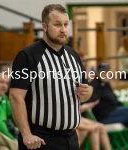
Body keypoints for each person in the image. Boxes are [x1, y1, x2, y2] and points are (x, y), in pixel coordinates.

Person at [9, 4, 93, 150]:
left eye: (66, 24)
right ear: (45, 26)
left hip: (71, 138)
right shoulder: (28, 55)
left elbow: (86, 92)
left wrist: (87, 93)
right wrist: (26, 135)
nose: (63, 29)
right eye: (57, 24)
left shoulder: (73, 55)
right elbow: (16, 97)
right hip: (41, 140)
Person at [89, 62, 128, 126]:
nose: (106, 74)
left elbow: (114, 100)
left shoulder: (106, 83)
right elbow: (91, 103)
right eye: (103, 72)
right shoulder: (94, 85)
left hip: (115, 111)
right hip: (105, 116)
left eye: (107, 72)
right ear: (98, 73)